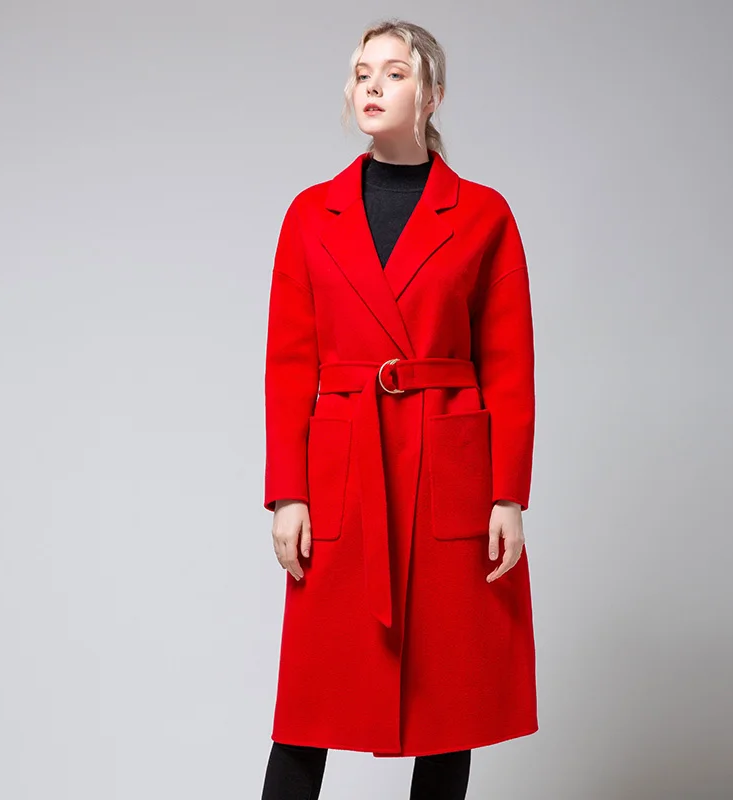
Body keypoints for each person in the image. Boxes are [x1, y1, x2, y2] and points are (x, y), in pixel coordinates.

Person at [260, 18, 537, 800]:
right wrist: (289, 494)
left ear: (433, 94)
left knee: (451, 696)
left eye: (394, 72)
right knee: (311, 699)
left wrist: (507, 495)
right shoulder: (310, 214)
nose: (372, 86)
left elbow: (510, 365)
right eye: (361, 73)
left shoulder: (483, 215)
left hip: (449, 467)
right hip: (346, 469)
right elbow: (288, 367)